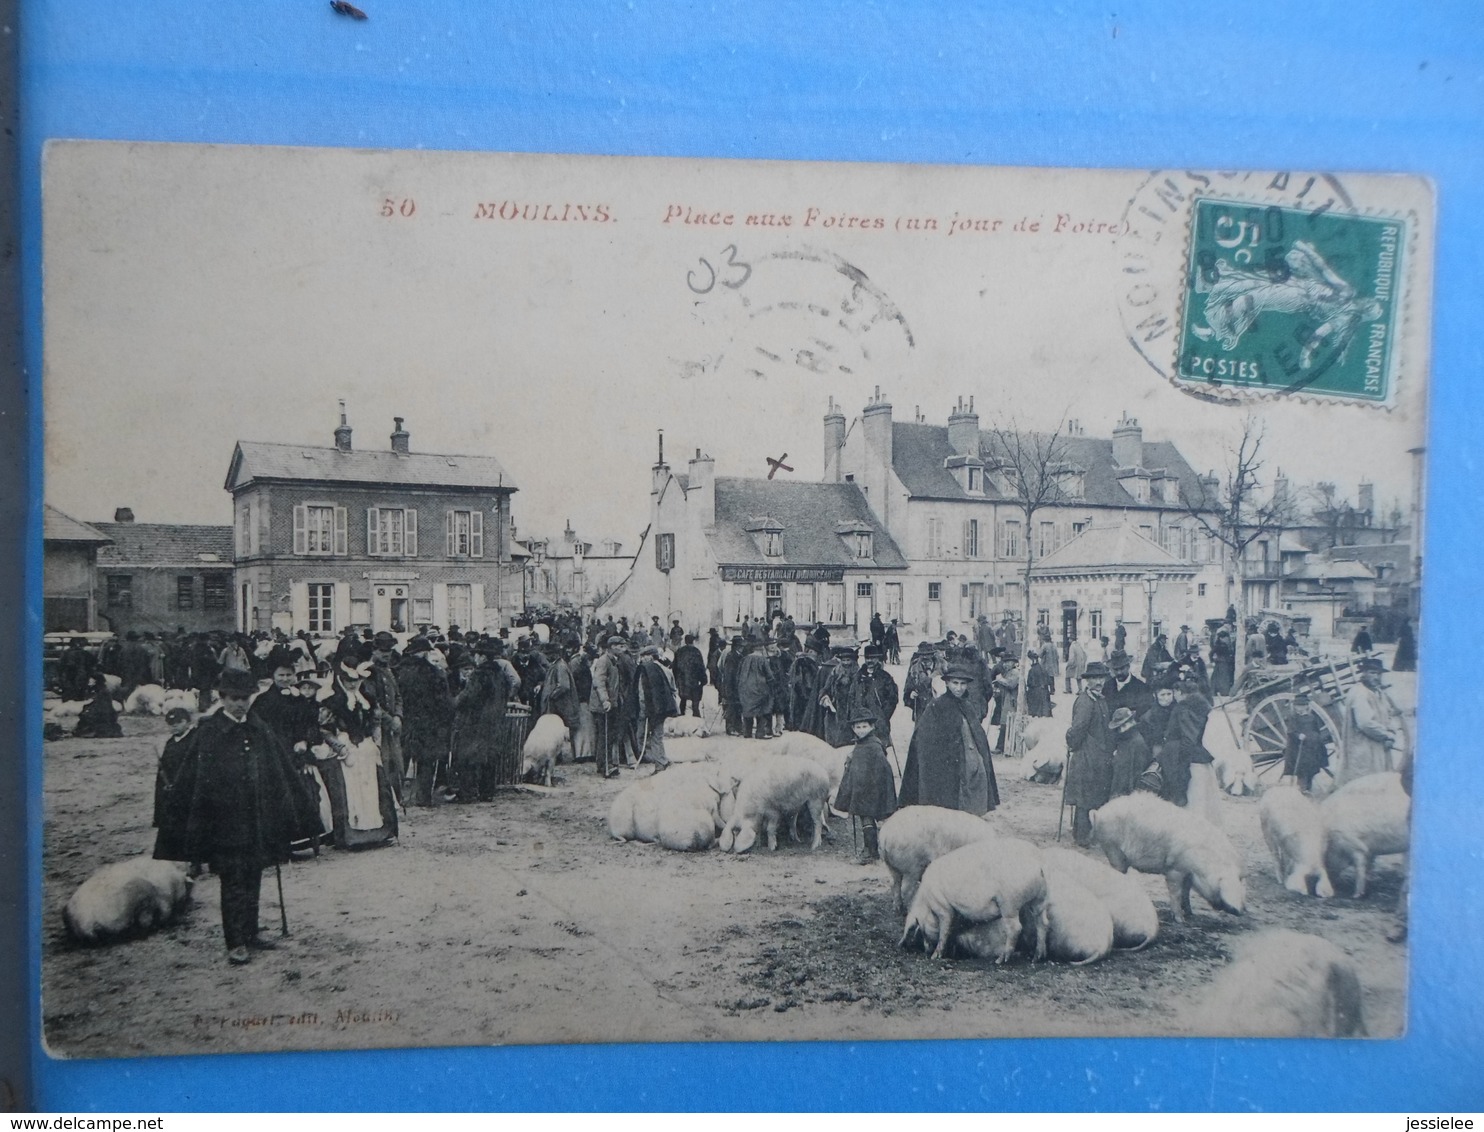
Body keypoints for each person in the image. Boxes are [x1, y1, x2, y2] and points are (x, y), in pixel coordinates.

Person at [155, 668, 308, 964]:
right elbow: (194, 780)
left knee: (253, 875)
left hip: (256, 820)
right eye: (235, 699)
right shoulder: (209, 731)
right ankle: (234, 941)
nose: (241, 704)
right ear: (221, 698)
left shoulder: (258, 726)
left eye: (245, 699)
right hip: (224, 823)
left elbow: (277, 768)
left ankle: (252, 933)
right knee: (233, 880)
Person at [313, 650, 398, 845]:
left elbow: (376, 721)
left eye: (356, 680)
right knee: (349, 793)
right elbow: (323, 729)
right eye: (349, 680)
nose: (353, 684)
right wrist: (340, 747)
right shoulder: (331, 701)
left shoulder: (367, 699)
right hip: (345, 749)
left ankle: (378, 833)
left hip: (366, 749)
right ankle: (350, 836)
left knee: (374, 790)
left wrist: (375, 740)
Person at [897, 662, 997, 815]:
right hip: (945, 766)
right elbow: (923, 738)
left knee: (973, 793)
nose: (959, 688)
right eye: (955, 683)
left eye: (963, 684)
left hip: (967, 761)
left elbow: (978, 737)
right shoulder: (937, 706)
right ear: (947, 683)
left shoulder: (967, 706)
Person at [397, 636, 456, 807]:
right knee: (426, 761)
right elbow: (444, 702)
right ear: (424, 653)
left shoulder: (399, 671)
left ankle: (398, 796)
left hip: (405, 720)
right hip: (428, 723)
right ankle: (423, 798)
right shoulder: (435, 672)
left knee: (401, 758)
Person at [835, 709, 897, 864]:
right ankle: (870, 850)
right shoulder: (860, 745)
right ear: (853, 729)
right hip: (862, 790)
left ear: (871, 727)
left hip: (871, 790)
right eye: (857, 727)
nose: (860, 730)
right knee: (865, 819)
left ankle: (871, 851)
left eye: (864, 727)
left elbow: (882, 769)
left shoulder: (874, 746)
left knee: (868, 819)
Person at [1064, 661, 1113, 846]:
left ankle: (1087, 832)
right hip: (1086, 755)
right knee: (1085, 795)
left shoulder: (1100, 699)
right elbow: (1077, 729)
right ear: (1088, 681)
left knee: (1093, 794)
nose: (1099, 681)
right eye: (1095, 678)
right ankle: (1082, 836)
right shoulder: (1085, 701)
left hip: (1099, 755)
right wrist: (1072, 744)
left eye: (1101, 678)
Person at [1338, 656, 1403, 786]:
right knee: (1364, 782)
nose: (1377, 677)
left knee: (1378, 781)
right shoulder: (1359, 693)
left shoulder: (1378, 692)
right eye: (1372, 673)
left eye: (1379, 674)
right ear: (1364, 674)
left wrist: (1391, 732)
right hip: (1363, 747)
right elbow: (1365, 723)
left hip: (1378, 745)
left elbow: (1389, 714)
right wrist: (1387, 735)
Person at [151, 706, 201, 864]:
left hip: (189, 791)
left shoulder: (195, 740)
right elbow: (164, 768)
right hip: (171, 791)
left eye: (178, 722)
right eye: (171, 723)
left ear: (187, 722)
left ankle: (194, 861)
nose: (174, 726)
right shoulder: (170, 743)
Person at [367, 632, 405, 805]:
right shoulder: (368, 671)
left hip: (392, 726)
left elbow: (397, 696)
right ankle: (382, 800)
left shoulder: (389, 670)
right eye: (382, 650)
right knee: (381, 762)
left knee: (395, 763)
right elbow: (371, 702)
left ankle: (396, 797)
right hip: (377, 726)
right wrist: (390, 719)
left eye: (389, 650)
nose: (386, 654)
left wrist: (398, 715)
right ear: (374, 650)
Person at [591, 635, 635, 777]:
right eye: (621, 646)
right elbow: (599, 681)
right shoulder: (604, 661)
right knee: (605, 735)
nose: (623, 649)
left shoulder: (614, 660)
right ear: (613, 647)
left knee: (609, 735)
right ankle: (606, 766)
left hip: (612, 703)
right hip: (604, 705)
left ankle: (604, 764)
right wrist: (605, 700)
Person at [634, 645, 677, 770]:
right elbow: (672, 690)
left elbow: (642, 693)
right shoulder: (665, 669)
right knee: (658, 735)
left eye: (643, 656)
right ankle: (661, 760)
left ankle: (655, 760)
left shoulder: (645, 670)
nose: (641, 659)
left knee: (642, 736)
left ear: (650, 656)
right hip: (662, 709)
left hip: (649, 709)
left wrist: (643, 711)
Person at [1279, 692, 1332, 793]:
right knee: (1302, 768)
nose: (1300, 708)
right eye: (1298, 706)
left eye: (1303, 705)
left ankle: (1309, 787)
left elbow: (1317, 729)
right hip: (1300, 747)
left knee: (1312, 767)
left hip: (1312, 747)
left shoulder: (1311, 717)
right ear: (1294, 706)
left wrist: (1317, 739)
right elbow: (1291, 731)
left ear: (1307, 706)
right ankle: (1302, 788)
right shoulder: (1294, 718)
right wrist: (1299, 735)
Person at [1107, 706, 1154, 800]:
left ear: (1132, 722)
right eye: (1119, 727)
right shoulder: (1124, 740)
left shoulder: (1137, 743)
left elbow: (1136, 773)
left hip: (1127, 794)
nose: (1122, 730)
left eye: (1125, 725)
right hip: (1118, 788)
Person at [736, 640, 776, 739]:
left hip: (745, 688)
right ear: (761, 648)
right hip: (759, 689)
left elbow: (738, 674)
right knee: (761, 709)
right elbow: (769, 676)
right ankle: (760, 733)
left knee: (747, 710)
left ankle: (747, 732)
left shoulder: (745, 659)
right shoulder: (762, 660)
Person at [1102, 649, 1153, 718]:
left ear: (1128, 666)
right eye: (1116, 669)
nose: (1119, 672)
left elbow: (1145, 714)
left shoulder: (1142, 688)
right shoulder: (1107, 687)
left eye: (1122, 668)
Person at [73, 673, 123, 738]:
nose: (89, 681)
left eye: (91, 680)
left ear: (96, 681)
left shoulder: (103, 692)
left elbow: (101, 706)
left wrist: (88, 711)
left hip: (102, 715)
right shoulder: (96, 691)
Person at [672, 634, 708, 718]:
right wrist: (703, 679)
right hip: (694, 681)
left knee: (683, 700)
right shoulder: (696, 652)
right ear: (693, 641)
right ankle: (696, 720)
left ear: (685, 641)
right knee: (695, 703)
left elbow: (674, 667)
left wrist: (676, 679)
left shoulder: (679, 651)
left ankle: (681, 718)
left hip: (683, 681)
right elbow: (700, 667)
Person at [902, 642, 938, 722]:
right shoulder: (914, 669)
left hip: (938, 707)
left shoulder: (941, 668)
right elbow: (908, 688)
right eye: (923, 655)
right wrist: (910, 694)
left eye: (928, 655)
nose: (925, 658)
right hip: (920, 707)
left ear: (932, 655)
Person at [57, 637, 96, 701]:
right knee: (80, 698)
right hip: (80, 678)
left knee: (68, 698)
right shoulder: (85, 653)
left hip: (68, 679)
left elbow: (59, 666)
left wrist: (61, 678)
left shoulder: (65, 653)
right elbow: (93, 663)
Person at [1024, 652, 1054, 718]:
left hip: (1035, 693)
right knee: (1045, 713)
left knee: (1036, 714)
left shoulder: (1031, 670)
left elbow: (1029, 683)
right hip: (1045, 693)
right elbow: (1050, 681)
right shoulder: (1043, 668)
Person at [1210, 627, 1236, 697]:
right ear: (1222, 638)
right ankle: (1224, 692)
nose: (1227, 639)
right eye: (1225, 638)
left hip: (1222, 662)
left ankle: (1217, 691)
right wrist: (1212, 660)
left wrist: (1213, 660)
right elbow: (1211, 653)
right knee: (1223, 678)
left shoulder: (1221, 644)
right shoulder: (1221, 645)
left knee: (1218, 678)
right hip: (1222, 662)